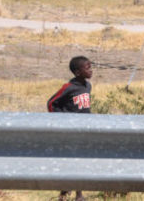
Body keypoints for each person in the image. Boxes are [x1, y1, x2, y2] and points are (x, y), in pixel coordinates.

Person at [47, 55, 92, 201]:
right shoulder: (68, 88)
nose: (91, 70)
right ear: (78, 72)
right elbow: (51, 103)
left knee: (80, 161)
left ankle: (79, 194)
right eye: (88, 68)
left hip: (84, 130)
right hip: (70, 131)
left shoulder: (87, 86)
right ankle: (63, 194)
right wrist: (62, 120)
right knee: (69, 161)